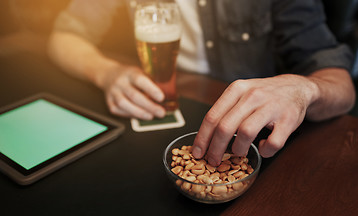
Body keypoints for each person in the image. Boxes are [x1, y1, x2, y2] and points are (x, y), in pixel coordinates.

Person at [47, 0, 356, 166]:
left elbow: (341, 85)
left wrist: (303, 89)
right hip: (161, 118)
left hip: (256, 134)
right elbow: (64, 36)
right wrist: (106, 72)